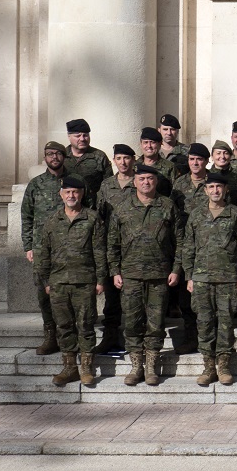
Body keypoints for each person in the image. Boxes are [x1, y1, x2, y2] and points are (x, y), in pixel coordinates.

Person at [108, 164, 184, 386]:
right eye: (141, 179)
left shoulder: (167, 206)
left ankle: (151, 367)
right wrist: (114, 271)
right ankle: (135, 367)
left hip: (159, 275)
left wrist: (176, 269)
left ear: (156, 181)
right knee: (132, 322)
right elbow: (112, 243)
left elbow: (180, 241)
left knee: (156, 322)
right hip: (130, 275)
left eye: (150, 179)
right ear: (134, 182)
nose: (146, 183)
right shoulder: (122, 208)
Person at [181, 172, 237, 386]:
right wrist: (189, 275)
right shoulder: (196, 215)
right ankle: (208, 366)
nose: (215, 191)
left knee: (225, 322)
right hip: (201, 278)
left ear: (226, 189)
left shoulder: (235, 214)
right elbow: (188, 246)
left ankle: (224, 365)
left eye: (219, 187)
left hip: (228, 279)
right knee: (204, 322)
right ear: (205, 190)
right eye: (211, 187)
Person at [35, 175, 106, 387]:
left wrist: (100, 279)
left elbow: (100, 251)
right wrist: (46, 281)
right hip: (58, 283)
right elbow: (43, 253)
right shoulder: (51, 221)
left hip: (84, 282)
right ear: (61, 194)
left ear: (82, 194)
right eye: (67, 192)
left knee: (85, 325)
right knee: (64, 326)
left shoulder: (92, 219)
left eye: (75, 192)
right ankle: (69, 367)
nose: (71, 196)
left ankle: (86, 367)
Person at [20, 141, 68, 356]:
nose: (54, 157)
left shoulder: (74, 182)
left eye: (57, 154)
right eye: (49, 154)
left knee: (68, 293)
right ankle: (50, 335)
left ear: (64, 156)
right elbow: (26, 216)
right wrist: (28, 246)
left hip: (69, 248)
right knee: (43, 294)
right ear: (45, 158)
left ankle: (68, 335)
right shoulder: (36, 184)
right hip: (42, 250)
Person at [93, 143, 139, 353]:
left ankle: (133, 339)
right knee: (112, 295)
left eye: (127, 158)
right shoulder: (106, 185)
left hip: (135, 246)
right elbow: (100, 215)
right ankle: (110, 336)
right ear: (114, 161)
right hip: (111, 246)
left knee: (133, 297)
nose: (123, 162)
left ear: (133, 160)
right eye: (119, 158)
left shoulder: (140, 182)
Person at [169, 142, 213, 354]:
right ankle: (190, 337)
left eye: (199, 159)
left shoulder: (213, 182)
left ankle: (210, 340)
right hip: (186, 244)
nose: (195, 163)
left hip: (209, 245)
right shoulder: (179, 184)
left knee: (208, 297)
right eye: (192, 159)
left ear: (206, 161)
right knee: (186, 296)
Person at [63, 118, 112, 209]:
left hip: (92, 209)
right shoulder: (62, 156)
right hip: (66, 209)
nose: (82, 139)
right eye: (78, 136)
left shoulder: (99, 156)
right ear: (69, 136)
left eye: (85, 135)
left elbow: (108, 184)